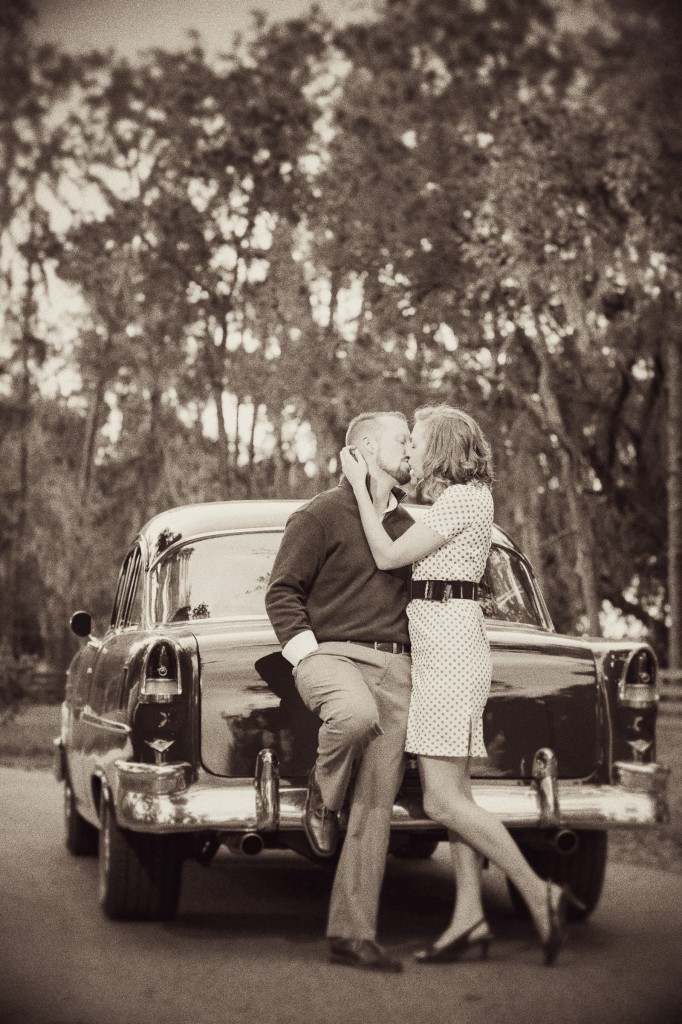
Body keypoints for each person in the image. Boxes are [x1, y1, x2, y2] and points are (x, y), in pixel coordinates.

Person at [340, 406, 582, 967]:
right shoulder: (452, 503)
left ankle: (538, 891)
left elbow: (387, 554)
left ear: (443, 448)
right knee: (461, 796)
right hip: (442, 648)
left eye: (418, 442)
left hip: (449, 653)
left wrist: (357, 486)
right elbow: (405, 528)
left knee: (440, 799)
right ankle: (469, 916)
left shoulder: (465, 499)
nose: (411, 452)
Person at [265, 411, 414, 973]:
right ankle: (321, 799)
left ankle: (352, 934)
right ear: (368, 446)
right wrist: (308, 655)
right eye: (403, 440)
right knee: (352, 715)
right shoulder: (320, 514)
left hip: (397, 671)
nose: (411, 450)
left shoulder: (406, 525)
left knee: (376, 806)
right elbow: (282, 593)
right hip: (331, 659)